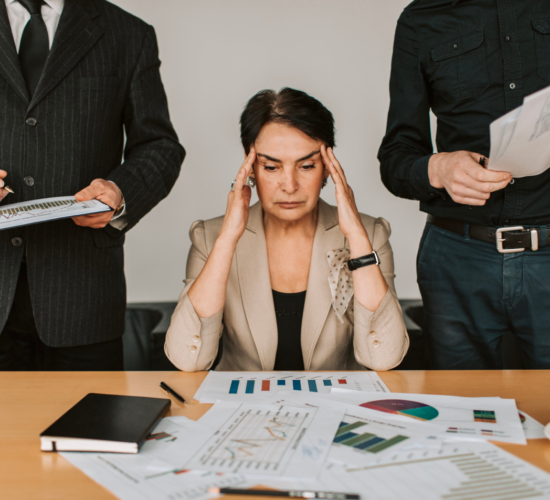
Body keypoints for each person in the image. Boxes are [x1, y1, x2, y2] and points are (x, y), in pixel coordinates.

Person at [165, 88, 408, 372]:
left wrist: (355, 235)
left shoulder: (370, 235)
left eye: (306, 166)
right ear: (250, 165)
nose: (289, 185)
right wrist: (227, 240)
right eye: (271, 167)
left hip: (335, 409)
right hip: (243, 409)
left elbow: (385, 358)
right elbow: (187, 360)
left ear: (328, 166)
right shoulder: (209, 237)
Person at [0, 0, 185, 370]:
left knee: (90, 428)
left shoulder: (129, 34)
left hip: (83, 301)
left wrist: (121, 192)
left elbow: (160, 146)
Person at [378, 0, 550, 369]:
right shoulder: (420, 19)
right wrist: (438, 169)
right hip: (457, 260)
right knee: (462, 413)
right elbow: (395, 158)